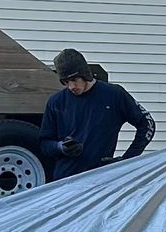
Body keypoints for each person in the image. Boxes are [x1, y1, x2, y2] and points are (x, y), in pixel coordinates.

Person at [38, 48, 156, 179]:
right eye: (66, 82)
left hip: (101, 180)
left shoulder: (113, 95)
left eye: (74, 79)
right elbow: (45, 144)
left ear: (85, 75)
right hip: (65, 182)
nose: (71, 86)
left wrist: (127, 160)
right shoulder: (56, 102)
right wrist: (61, 147)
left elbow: (147, 123)